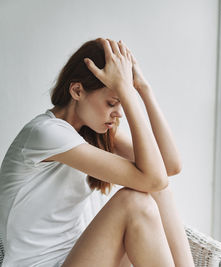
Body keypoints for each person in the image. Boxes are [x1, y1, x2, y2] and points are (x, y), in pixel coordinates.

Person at [0, 38, 195, 267]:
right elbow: (154, 178)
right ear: (77, 90)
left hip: (78, 257)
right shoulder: (46, 133)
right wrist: (127, 92)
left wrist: (143, 88)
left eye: (121, 104)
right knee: (134, 201)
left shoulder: (89, 131)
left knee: (158, 190)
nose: (119, 114)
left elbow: (169, 167)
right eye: (112, 103)